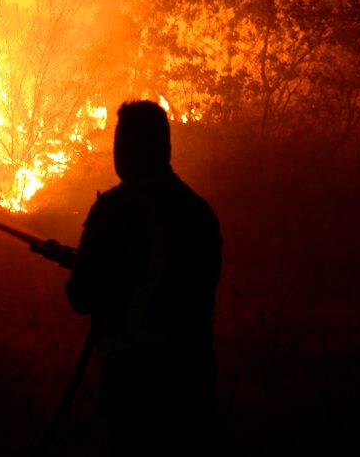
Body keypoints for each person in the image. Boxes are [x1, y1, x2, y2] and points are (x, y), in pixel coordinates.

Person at [66, 100, 222, 454]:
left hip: (134, 387)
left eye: (120, 142)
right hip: (192, 386)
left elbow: (80, 295)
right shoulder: (199, 213)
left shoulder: (113, 210)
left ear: (128, 149)